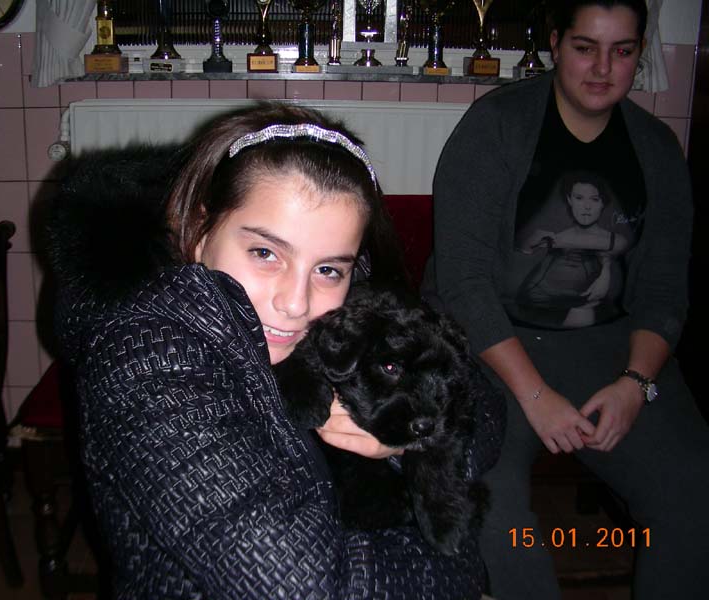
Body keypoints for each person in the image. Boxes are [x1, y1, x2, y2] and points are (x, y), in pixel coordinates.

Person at [48, 103, 503, 599]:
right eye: (265, 253)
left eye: (328, 269)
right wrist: (459, 556)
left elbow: (483, 405)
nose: (296, 302)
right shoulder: (146, 361)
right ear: (199, 231)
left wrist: (399, 446)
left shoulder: (347, 306)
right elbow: (302, 588)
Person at [421, 1, 709, 598]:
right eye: (585, 48)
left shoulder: (657, 148)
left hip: (611, 345)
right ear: (555, 44)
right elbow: (463, 284)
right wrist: (535, 396)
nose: (603, 68)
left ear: (639, 54)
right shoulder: (496, 126)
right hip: (491, 346)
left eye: (622, 51)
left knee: (695, 488)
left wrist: (636, 383)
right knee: (491, 502)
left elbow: (664, 290)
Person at [515, 171, 627, 327]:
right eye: (579, 198)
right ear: (569, 200)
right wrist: (528, 243)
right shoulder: (554, 235)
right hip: (535, 300)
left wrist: (606, 271)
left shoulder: (616, 240)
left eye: (594, 199)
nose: (586, 206)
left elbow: (614, 254)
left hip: (582, 306)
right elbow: (522, 256)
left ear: (603, 203)